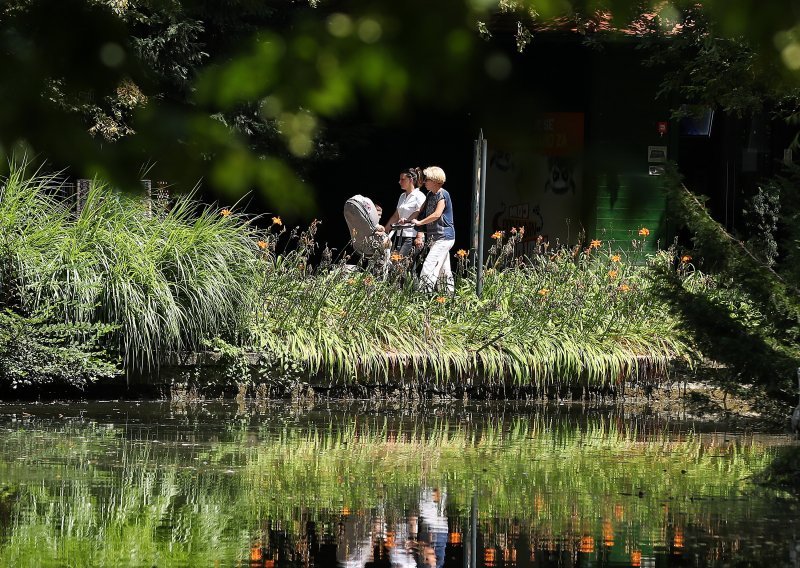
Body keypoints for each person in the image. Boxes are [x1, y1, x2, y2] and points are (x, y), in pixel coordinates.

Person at [412, 166, 454, 293]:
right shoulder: (430, 194)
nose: (424, 182)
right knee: (444, 270)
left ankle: (423, 296)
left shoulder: (443, 194)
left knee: (429, 264)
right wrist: (406, 220)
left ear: (435, 181)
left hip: (444, 237)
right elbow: (420, 211)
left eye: (427, 180)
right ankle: (448, 297)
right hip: (435, 238)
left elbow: (437, 214)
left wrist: (419, 222)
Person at [377, 167, 426, 258]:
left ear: (411, 180)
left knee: (398, 263)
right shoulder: (402, 196)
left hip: (411, 236)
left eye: (402, 179)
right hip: (399, 235)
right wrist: (385, 230)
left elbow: (422, 215)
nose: (399, 182)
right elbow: (396, 216)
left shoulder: (419, 196)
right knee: (398, 263)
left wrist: (419, 236)